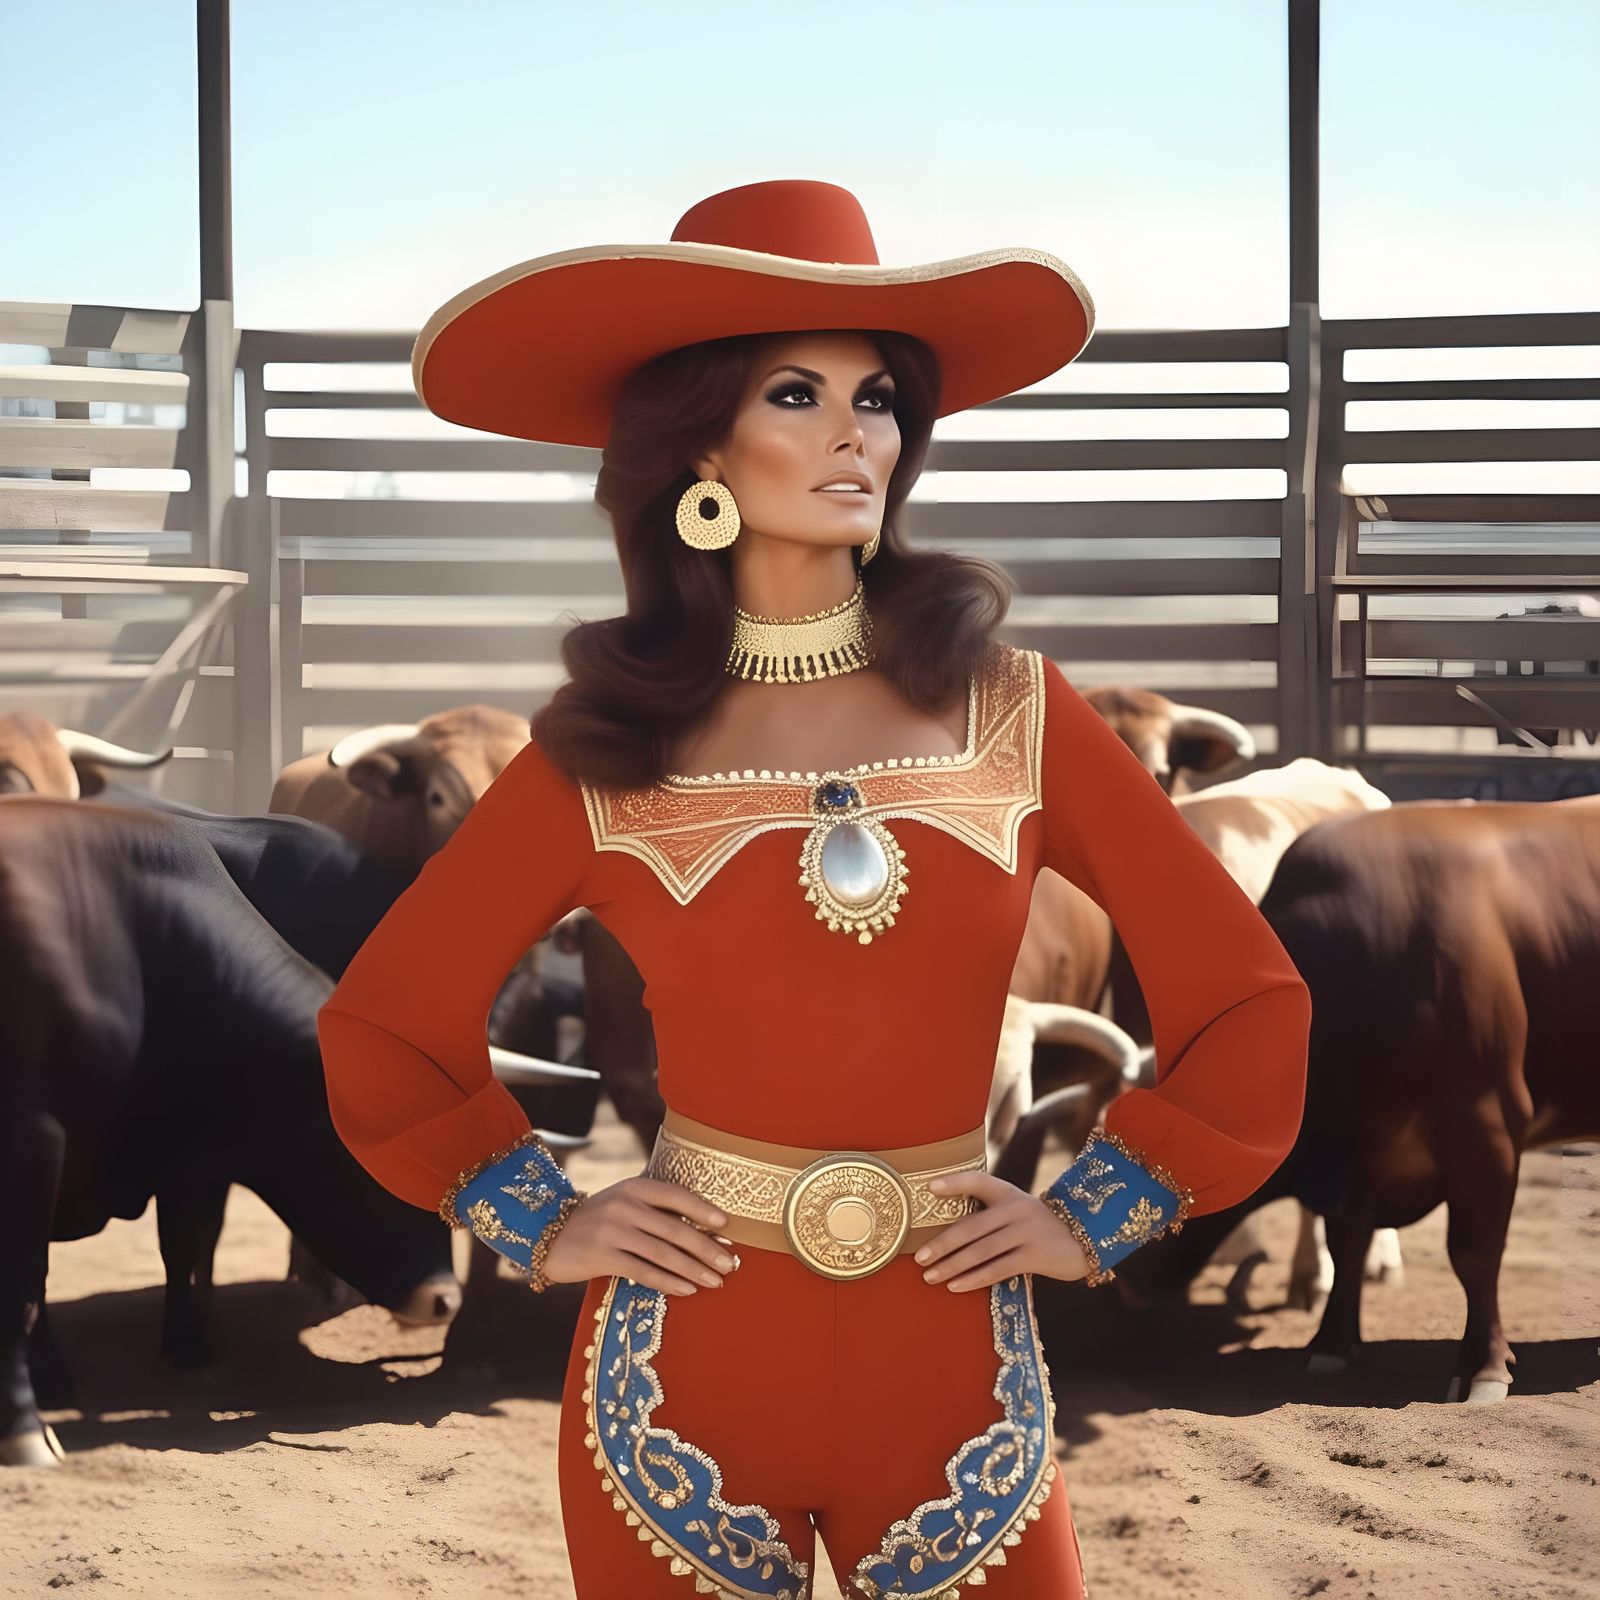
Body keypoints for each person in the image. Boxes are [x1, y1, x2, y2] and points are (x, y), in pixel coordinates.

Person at [316, 179, 1312, 1600]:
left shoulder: (1022, 714)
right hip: (674, 1385)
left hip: (964, 1376)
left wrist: (1102, 1208)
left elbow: (1248, 994)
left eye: (880, 398)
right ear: (697, 444)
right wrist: (539, 1216)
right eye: (799, 394)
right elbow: (385, 1022)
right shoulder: (605, 754)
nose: (859, 434)